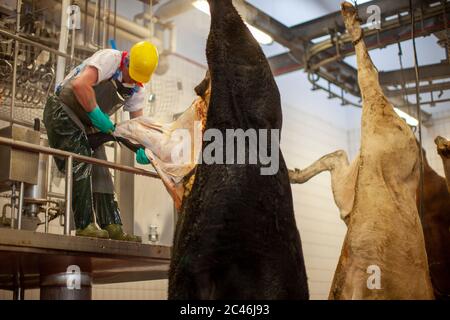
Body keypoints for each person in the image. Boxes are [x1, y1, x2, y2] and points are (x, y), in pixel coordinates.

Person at [43, 41, 159, 241]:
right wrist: (97, 114)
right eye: (132, 74)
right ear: (127, 62)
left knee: (102, 169)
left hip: (88, 125)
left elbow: (136, 126)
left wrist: (142, 148)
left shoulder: (136, 89)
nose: (133, 80)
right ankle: (85, 224)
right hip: (63, 110)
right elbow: (80, 85)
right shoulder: (110, 59)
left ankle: (112, 225)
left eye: (138, 79)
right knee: (81, 161)